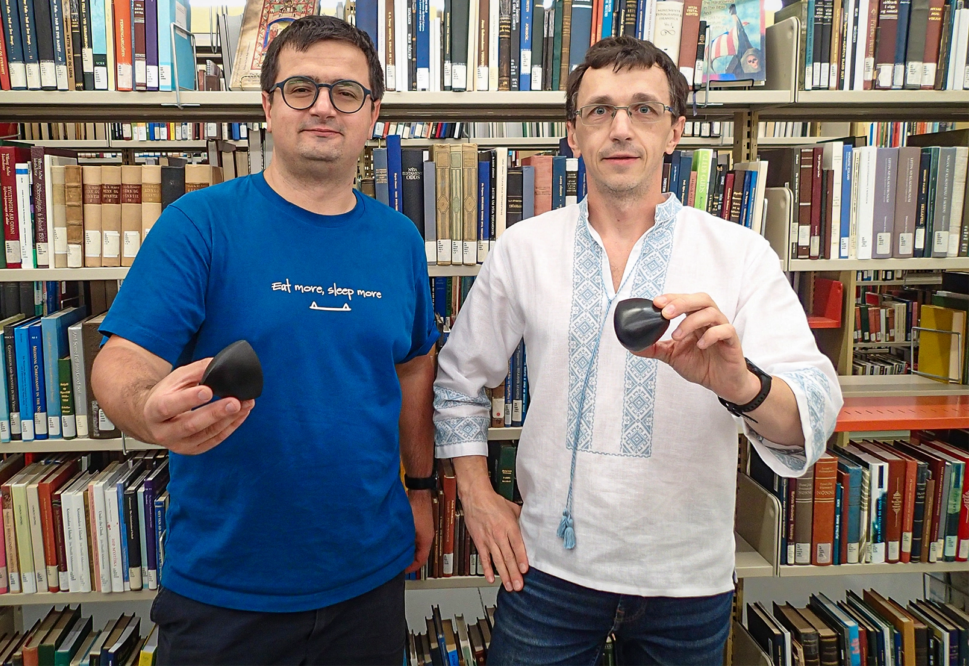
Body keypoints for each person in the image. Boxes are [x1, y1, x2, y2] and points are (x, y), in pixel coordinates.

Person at [432, 36, 842, 666]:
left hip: (688, 584)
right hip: (547, 572)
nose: (620, 128)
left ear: (675, 132)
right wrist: (479, 497)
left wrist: (740, 383)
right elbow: (458, 381)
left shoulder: (740, 254)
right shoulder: (524, 247)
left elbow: (811, 411)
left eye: (644, 109)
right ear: (574, 135)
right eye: (600, 111)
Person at [92, 15, 438, 666]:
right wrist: (146, 409)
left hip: (368, 579)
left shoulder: (399, 241)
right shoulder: (199, 225)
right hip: (227, 588)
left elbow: (414, 368)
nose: (324, 107)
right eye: (301, 87)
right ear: (267, 104)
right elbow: (122, 361)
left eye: (347, 92)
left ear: (375, 114)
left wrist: (420, 491)